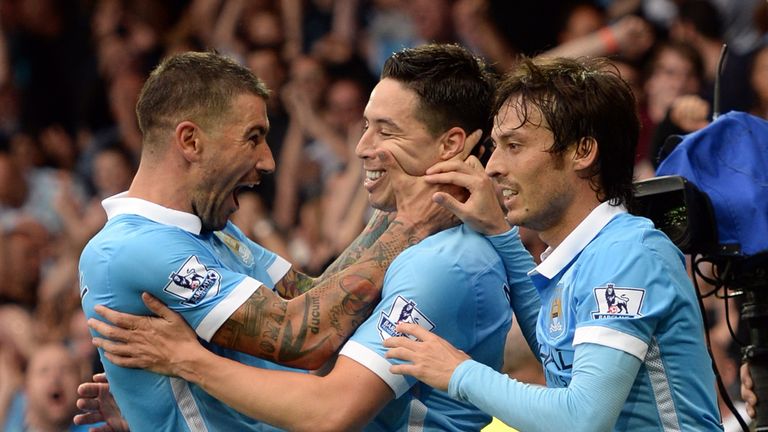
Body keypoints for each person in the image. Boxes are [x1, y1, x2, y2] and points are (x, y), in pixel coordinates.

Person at [80, 43, 537, 431]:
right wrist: (407, 220)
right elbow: (301, 336)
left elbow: (316, 306)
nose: (269, 162)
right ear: (191, 141)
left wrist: (182, 377)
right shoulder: (133, 249)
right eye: (254, 137)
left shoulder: (213, 230)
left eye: (385, 129)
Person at [383, 56, 723, 431]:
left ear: (582, 151)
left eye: (514, 145)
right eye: (495, 146)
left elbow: (582, 418)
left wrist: (457, 371)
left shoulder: (627, 252)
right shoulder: (581, 257)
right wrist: (500, 233)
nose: (492, 166)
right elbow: (553, 356)